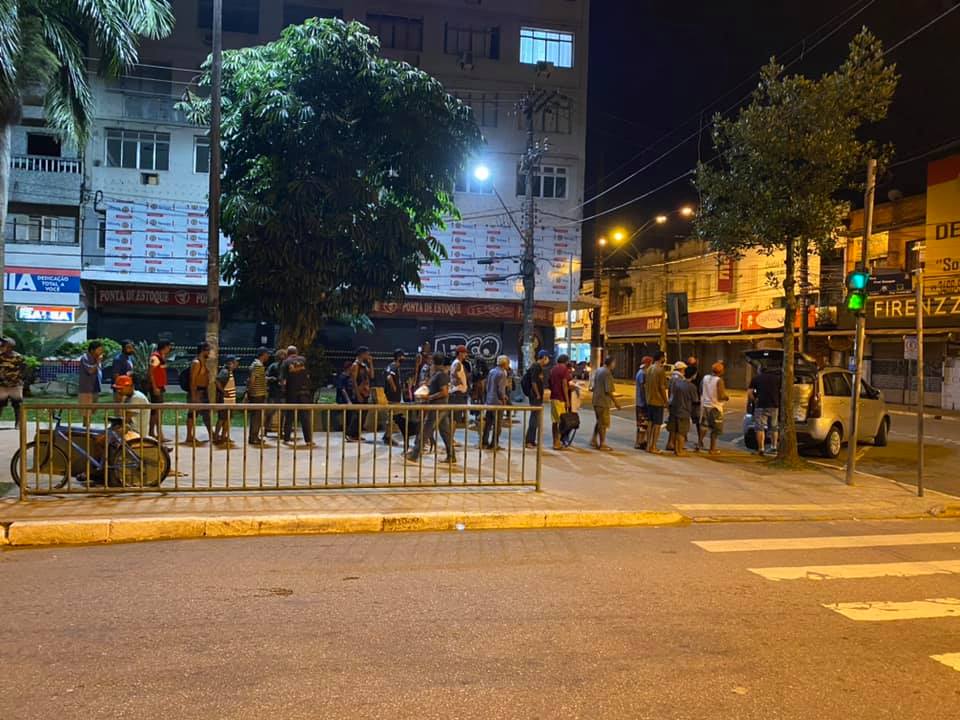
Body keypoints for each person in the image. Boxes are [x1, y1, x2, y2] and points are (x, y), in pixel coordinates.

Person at [405, 352, 455, 464]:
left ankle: (414, 454)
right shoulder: (438, 374)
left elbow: (444, 392)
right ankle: (451, 456)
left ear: (433, 361)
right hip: (440, 407)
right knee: (445, 433)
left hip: (437, 407)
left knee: (426, 430)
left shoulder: (440, 375)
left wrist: (429, 397)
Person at [281, 346, 314, 447]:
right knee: (305, 416)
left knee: (289, 415)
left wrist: (283, 391)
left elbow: (283, 380)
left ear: (288, 353)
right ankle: (308, 440)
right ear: (297, 352)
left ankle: (286, 439)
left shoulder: (285, 362)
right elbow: (308, 375)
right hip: (304, 391)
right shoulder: (304, 360)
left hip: (292, 392)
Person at [749, 364, 781, 456]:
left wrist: (755, 400)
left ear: (759, 370)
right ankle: (774, 447)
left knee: (760, 427)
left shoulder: (756, 378)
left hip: (761, 405)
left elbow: (750, 393)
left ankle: (761, 449)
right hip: (774, 405)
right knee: (774, 427)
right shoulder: (777, 379)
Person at [667, 365, 700, 456]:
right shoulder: (692, 387)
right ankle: (680, 450)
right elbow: (695, 400)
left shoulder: (677, 383)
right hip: (684, 411)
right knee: (682, 432)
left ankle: (676, 449)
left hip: (675, 409)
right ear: (693, 375)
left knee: (675, 430)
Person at [590, 356, 621, 451]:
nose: (615, 365)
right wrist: (616, 402)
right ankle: (602, 443)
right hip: (603, 401)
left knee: (599, 421)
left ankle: (593, 439)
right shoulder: (607, 373)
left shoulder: (599, 370)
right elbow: (609, 391)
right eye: (614, 363)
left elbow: (593, 386)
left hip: (596, 400)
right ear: (611, 363)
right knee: (603, 424)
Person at [699, 361, 730, 455]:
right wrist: (726, 397)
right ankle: (712, 449)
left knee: (704, 426)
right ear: (721, 371)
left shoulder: (705, 378)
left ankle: (699, 444)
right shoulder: (719, 380)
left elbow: (700, 389)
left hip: (705, 405)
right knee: (715, 429)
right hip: (715, 407)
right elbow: (721, 396)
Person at [185, 342, 212, 446]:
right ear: (203, 350)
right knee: (192, 414)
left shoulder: (203, 362)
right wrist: (194, 396)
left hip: (203, 392)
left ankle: (211, 434)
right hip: (197, 392)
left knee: (206, 414)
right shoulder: (196, 363)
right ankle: (189, 436)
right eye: (208, 350)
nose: (209, 352)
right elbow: (192, 380)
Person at [523, 349, 551, 448]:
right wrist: (538, 394)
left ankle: (532, 440)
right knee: (534, 419)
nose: (548, 360)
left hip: (536, 396)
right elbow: (534, 382)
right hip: (535, 396)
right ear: (544, 357)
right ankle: (529, 441)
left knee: (536, 418)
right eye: (547, 358)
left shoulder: (538, 367)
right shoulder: (536, 366)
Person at [382, 349, 410, 448]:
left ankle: (387, 435)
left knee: (392, 416)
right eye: (403, 356)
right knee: (393, 416)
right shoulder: (393, 366)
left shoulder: (394, 366)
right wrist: (394, 387)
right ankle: (387, 437)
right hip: (393, 396)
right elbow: (389, 377)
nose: (404, 358)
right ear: (398, 357)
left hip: (394, 396)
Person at [482, 355, 510, 450]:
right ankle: (494, 444)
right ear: (504, 364)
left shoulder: (492, 371)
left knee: (488, 423)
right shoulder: (502, 373)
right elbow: (500, 390)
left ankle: (484, 442)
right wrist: (504, 399)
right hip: (497, 402)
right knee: (497, 424)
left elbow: (487, 386)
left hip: (489, 400)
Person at [644, 351, 670, 454]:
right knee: (657, 424)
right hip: (658, 401)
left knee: (650, 423)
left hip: (649, 399)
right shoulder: (660, 370)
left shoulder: (649, 368)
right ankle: (653, 446)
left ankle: (648, 445)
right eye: (664, 357)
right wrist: (666, 401)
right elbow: (662, 387)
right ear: (661, 358)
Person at [346, 346, 373, 442]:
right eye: (367, 353)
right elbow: (354, 381)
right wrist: (358, 394)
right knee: (357, 414)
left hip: (365, 393)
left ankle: (357, 434)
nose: (368, 355)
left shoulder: (364, 365)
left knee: (363, 415)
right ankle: (350, 434)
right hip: (359, 393)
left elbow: (372, 375)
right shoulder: (355, 365)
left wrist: (371, 363)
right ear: (362, 354)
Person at [147, 340, 172, 443]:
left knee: (155, 411)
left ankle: (152, 433)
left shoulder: (160, 357)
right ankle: (158, 435)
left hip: (159, 386)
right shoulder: (156, 357)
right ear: (165, 347)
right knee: (158, 411)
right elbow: (150, 373)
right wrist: (154, 387)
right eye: (169, 347)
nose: (170, 349)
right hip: (156, 387)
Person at [247, 347, 272, 447]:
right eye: (267, 354)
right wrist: (250, 391)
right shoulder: (258, 365)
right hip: (257, 394)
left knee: (256, 416)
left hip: (257, 393)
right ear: (263, 354)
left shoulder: (256, 364)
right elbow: (252, 379)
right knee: (256, 417)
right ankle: (253, 438)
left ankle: (254, 436)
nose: (268, 356)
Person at [548, 353, 573, 450]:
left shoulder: (553, 369)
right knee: (562, 421)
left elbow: (549, 383)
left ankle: (555, 441)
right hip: (560, 398)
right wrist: (567, 400)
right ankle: (557, 441)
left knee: (555, 421)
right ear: (566, 361)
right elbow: (564, 385)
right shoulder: (564, 369)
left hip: (553, 397)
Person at [0, 337, 26, 426]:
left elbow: (24, 369)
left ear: (10, 347)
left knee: (17, 404)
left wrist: (19, 379)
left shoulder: (19, 357)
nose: (1, 346)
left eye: (3, 345)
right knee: (0, 404)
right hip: (2, 385)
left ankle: (18, 423)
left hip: (15, 385)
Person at [214, 355, 239, 446]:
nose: (237, 363)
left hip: (230, 400)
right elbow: (217, 381)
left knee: (227, 419)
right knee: (222, 419)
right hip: (225, 400)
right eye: (236, 362)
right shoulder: (225, 371)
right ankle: (216, 436)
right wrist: (223, 392)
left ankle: (224, 436)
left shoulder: (230, 372)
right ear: (230, 363)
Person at [78, 340, 104, 426]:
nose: (101, 352)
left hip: (96, 387)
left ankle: (88, 426)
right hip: (86, 389)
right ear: (92, 350)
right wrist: (98, 362)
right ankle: (86, 427)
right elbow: (90, 370)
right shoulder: (85, 358)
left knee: (93, 409)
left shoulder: (97, 358)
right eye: (99, 350)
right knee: (86, 411)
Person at [265, 348, 287, 436]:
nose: (282, 358)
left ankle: (280, 431)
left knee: (282, 413)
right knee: (270, 412)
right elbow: (266, 377)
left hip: (282, 393)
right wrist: (273, 379)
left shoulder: (286, 366)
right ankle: (266, 429)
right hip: (274, 392)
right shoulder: (273, 366)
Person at [665, 361, 687, 452]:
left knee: (673, 424)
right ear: (681, 369)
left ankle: (671, 443)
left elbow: (669, 391)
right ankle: (672, 443)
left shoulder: (672, 378)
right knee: (677, 426)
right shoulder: (679, 378)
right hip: (677, 404)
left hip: (672, 402)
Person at [634, 355, 653, 449]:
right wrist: (647, 399)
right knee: (642, 423)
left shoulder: (640, 372)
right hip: (642, 403)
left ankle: (640, 441)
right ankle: (639, 441)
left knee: (641, 423)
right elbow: (643, 388)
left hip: (640, 402)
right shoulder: (643, 373)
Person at [449, 345, 470, 431]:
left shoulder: (458, 363)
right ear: (460, 353)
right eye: (464, 353)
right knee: (455, 418)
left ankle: (451, 437)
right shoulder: (457, 363)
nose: (466, 354)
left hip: (458, 393)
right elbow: (453, 374)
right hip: (457, 394)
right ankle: (450, 438)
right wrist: (459, 383)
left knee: (455, 419)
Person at [686, 356, 702, 450]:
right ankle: (699, 440)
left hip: (690, 401)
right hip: (694, 401)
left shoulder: (686, 373)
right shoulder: (697, 374)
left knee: (687, 420)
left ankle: (685, 437)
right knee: (697, 422)